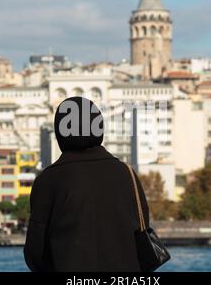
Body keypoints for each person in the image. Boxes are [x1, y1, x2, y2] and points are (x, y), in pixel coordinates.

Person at [24, 97, 150, 272]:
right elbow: (142, 234)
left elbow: (36, 253)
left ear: (61, 132)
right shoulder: (126, 174)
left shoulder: (49, 179)